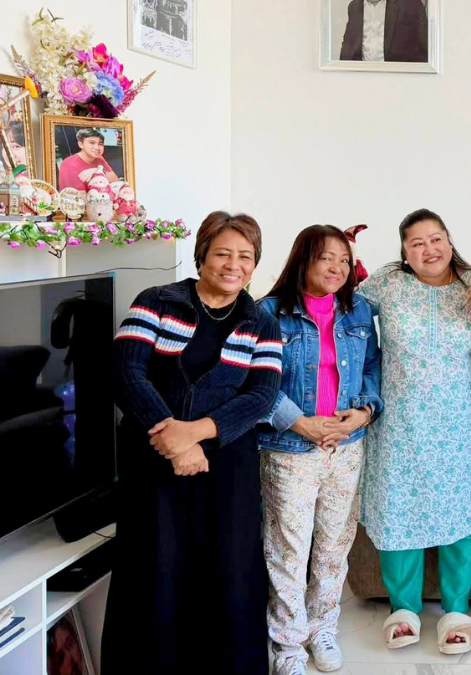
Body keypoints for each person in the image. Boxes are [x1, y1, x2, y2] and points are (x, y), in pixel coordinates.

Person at [103, 212, 282, 674]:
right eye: (222, 253)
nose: (233, 265)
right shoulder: (157, 301)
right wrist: (174, 439)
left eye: (245, 256)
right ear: (202, 255)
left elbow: (261, 396)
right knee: (155, 570)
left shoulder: (262, 323)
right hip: (153, 461)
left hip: (226, 466)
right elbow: (126, 372)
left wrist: (194, 434)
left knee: (229, 572)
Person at [358, 209, 471, 655]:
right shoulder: (388, 283)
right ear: (404, 252)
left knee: (459, 510)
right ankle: (403, 609)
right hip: (398, 423)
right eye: (417, 243)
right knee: (397, 507)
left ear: (449, 241)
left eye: (436, 239)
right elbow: (343, 312)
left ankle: (456, 611)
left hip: (458, 424)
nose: (429, 249)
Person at [257, 225, 383, 675]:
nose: (337, 268)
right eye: (327, 258)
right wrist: (300, 422)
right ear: (303, 259)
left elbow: (372, 367)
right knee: (288, 550)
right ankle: (288, 645)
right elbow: (256, 381)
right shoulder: (269, 312)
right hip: (290, 448)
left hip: (346, 447)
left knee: (333, 545)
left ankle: (322, 628)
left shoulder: (358, 310)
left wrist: (363, 412)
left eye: (344, 260)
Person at [339, 0, 429, 63]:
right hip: (363, 76)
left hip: (398, 77)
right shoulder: (354, 7)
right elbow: (348, 48)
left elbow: (425, 49)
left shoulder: (410, 4)